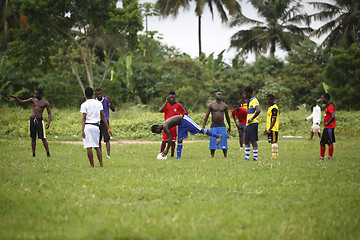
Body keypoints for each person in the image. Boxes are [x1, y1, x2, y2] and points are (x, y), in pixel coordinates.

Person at [151, 115, 222, 158]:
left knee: (200, 130)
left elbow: (170, 139)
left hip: (184, 120)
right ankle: (178, 158)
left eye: (156, 132)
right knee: (179, 140)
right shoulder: (164, 126)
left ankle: (217, 136)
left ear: (157, 128)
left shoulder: (165, 126)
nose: (157, 133)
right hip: (180, 125)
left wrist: (166, 150)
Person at [8, 88, 52, 157]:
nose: (35, 95)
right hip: (32, 120)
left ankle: (48, 154)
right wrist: (15, 98)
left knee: (43, 138)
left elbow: (49, 113)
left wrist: (48, 123)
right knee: (33, 138)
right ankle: (33, 154)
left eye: (36, 94)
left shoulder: (45, 102)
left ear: (40, 94)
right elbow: (22, 102)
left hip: (39, 121)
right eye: (35, 93)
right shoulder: (33, 100)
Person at [81, 87, 113, 167]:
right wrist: (108, 127)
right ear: (93, 94)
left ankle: (92, 165)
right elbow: (103, 116)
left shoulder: (84, 104)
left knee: (89, 147)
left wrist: (82, 130)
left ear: (85, 95)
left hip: (88, 126)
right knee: (97, 146)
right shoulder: (98, 103)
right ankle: (101, 164)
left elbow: (84, 118)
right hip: (96, 126)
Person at [159, 91, 188, 158]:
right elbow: (160, 110)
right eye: (170, 97)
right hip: (166, 125)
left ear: (175, 98)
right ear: (168, 97)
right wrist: (165, 102)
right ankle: (161, 153)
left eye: (173, 97)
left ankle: (172, 155)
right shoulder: (166, 104)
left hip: (174, 126)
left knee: (172, 141)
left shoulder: (178, 105)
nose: (172, 99)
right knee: (164, 140)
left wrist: (180, 120)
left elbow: (185, 112)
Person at [202, 92, 231, 158]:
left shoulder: (224, 106)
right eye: (218, 94)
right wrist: (203, 126)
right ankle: (212, 156)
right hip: (214, 126)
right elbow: (206, 116)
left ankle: (225, 156)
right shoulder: (211, 105)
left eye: (221, 94)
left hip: (222, 125)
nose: (220, 96)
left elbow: (227, 116)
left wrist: (229, 126)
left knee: (223, 140)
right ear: (215, 96)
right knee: (213, 140)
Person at [95, 88, 115, 159]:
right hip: (97, 121)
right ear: (95, 95)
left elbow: (113, 109)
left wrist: (110, 102)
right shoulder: (94, 101)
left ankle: (108, 155)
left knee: (107, 138)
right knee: (98, 139)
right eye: (97, 94)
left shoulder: (105, 100)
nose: (99, 95)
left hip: (105, 122)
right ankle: (100, 154)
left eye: (100, 94)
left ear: (102, 93)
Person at [244, 86, 261, 161]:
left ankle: (255, 157)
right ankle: (247, 157)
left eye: (245, 93)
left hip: (253, 123)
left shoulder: (254, 100)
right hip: (249, 124)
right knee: (246, 140)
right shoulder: (250, 101)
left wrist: (252, 119)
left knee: (253, 140)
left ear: (248, 93)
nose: (245, 95)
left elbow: (258, 110)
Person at [320, 93, 336, 160]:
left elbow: (333, 116)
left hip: (329, 127)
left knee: (330, 142)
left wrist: (328, 123)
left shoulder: (331, 106)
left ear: (326, 98)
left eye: (322, 98)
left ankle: (330, 156)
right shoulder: (327, 106)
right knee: (322, 142)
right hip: (326, 128)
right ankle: (322, 157)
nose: (322, 100)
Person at [263, 94, 279, 158]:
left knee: (274, 141)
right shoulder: (270, 107)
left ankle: (275, 156)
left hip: (273, 128)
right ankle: (274, 155)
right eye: (267, 100)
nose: (267, 101)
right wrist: (266, 128)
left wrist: (270, 128)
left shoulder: (274, 108)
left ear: (272, 100)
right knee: (271, 141)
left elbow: (274, 119)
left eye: (268, 100)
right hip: (270, 128)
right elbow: (269, 120)